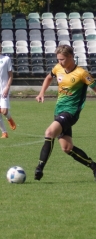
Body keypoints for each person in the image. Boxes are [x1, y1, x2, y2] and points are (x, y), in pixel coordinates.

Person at [34, 45, 96, 181]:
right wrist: (41, 93)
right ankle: (93, 166)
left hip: (71, 112)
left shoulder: (82, 74)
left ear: (71, 57)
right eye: (58, 59)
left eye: (62, 59)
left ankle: (39, 168)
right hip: (59, 111)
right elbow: (49, 77)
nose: (60, 62)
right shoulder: (58, 68)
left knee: (49, 133)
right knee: (67, 148)